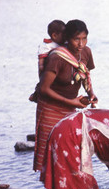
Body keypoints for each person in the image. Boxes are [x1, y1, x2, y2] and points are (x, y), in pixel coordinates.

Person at [33, 19, 98, 172]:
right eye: (76, 39)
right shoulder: (57, 57)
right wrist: (71, 102)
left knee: (69, 150)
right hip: (50, 108)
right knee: (51, 155)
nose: (81, 44)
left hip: (70, 107)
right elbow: (44, 89)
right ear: (67, 39)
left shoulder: (86, 52)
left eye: (84, 38)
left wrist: (91, 94)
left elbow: (85, 75)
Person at [28, 19, 66, 102]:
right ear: (54, 35)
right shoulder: (47, 45)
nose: (65, 37)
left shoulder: (62, 44)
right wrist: (41, 66)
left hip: (55, 69)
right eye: (63, 35)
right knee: (42, 83)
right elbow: (41, 56)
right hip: (46, 68)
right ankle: (35, 95)